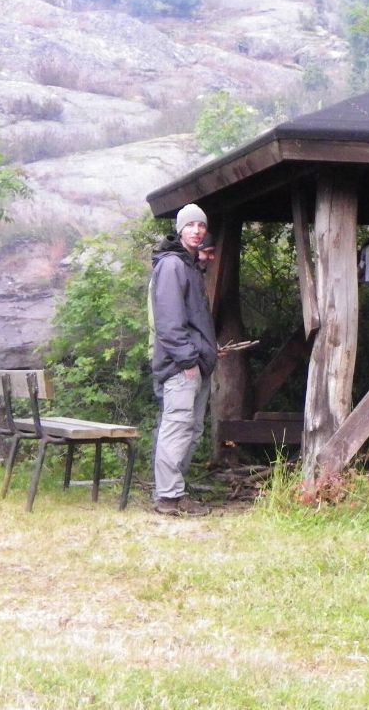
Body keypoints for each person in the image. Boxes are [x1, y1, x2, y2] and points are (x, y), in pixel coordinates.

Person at [148, 203, 219, 517]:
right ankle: (168, 498)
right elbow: (169, 322)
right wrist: (188, 361)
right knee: (177, 427)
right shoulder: (172, 266)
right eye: (190, 225)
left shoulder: (187, 264)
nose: (196, 230)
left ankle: (174, 491)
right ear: (180, 229)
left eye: (201, 226)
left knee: (192, 430)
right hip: (181, 365)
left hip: (196, 362)